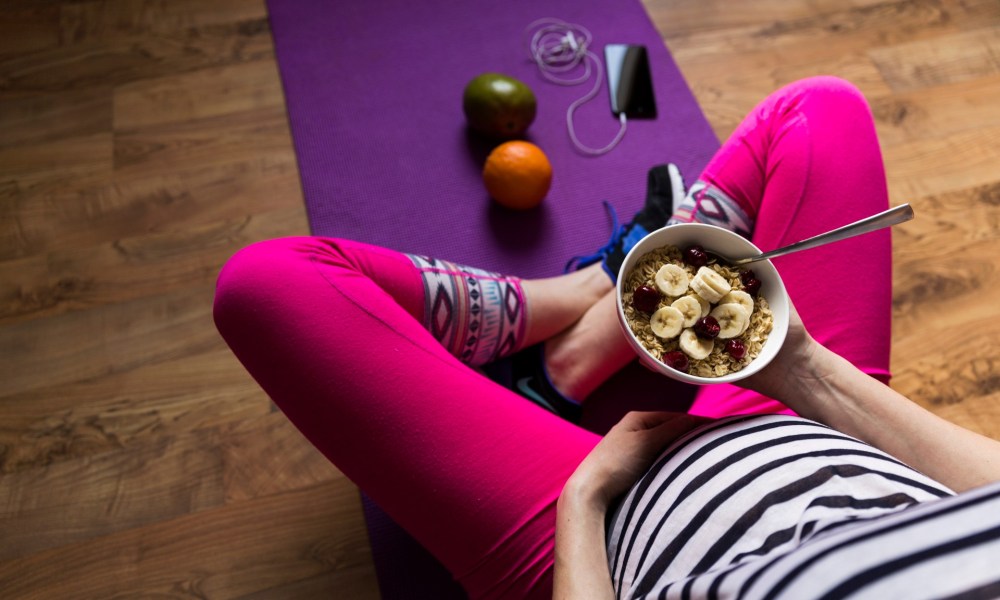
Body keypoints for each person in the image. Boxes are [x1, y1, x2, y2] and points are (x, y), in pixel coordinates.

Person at [213, 76, 1000, 599]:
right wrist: (803, 370)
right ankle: (588, 310)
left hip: (616, 528)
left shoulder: (594, 504)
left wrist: (587, 497)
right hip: (821, 426)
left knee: (265, 285)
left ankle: (582, 298)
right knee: (820, 108)